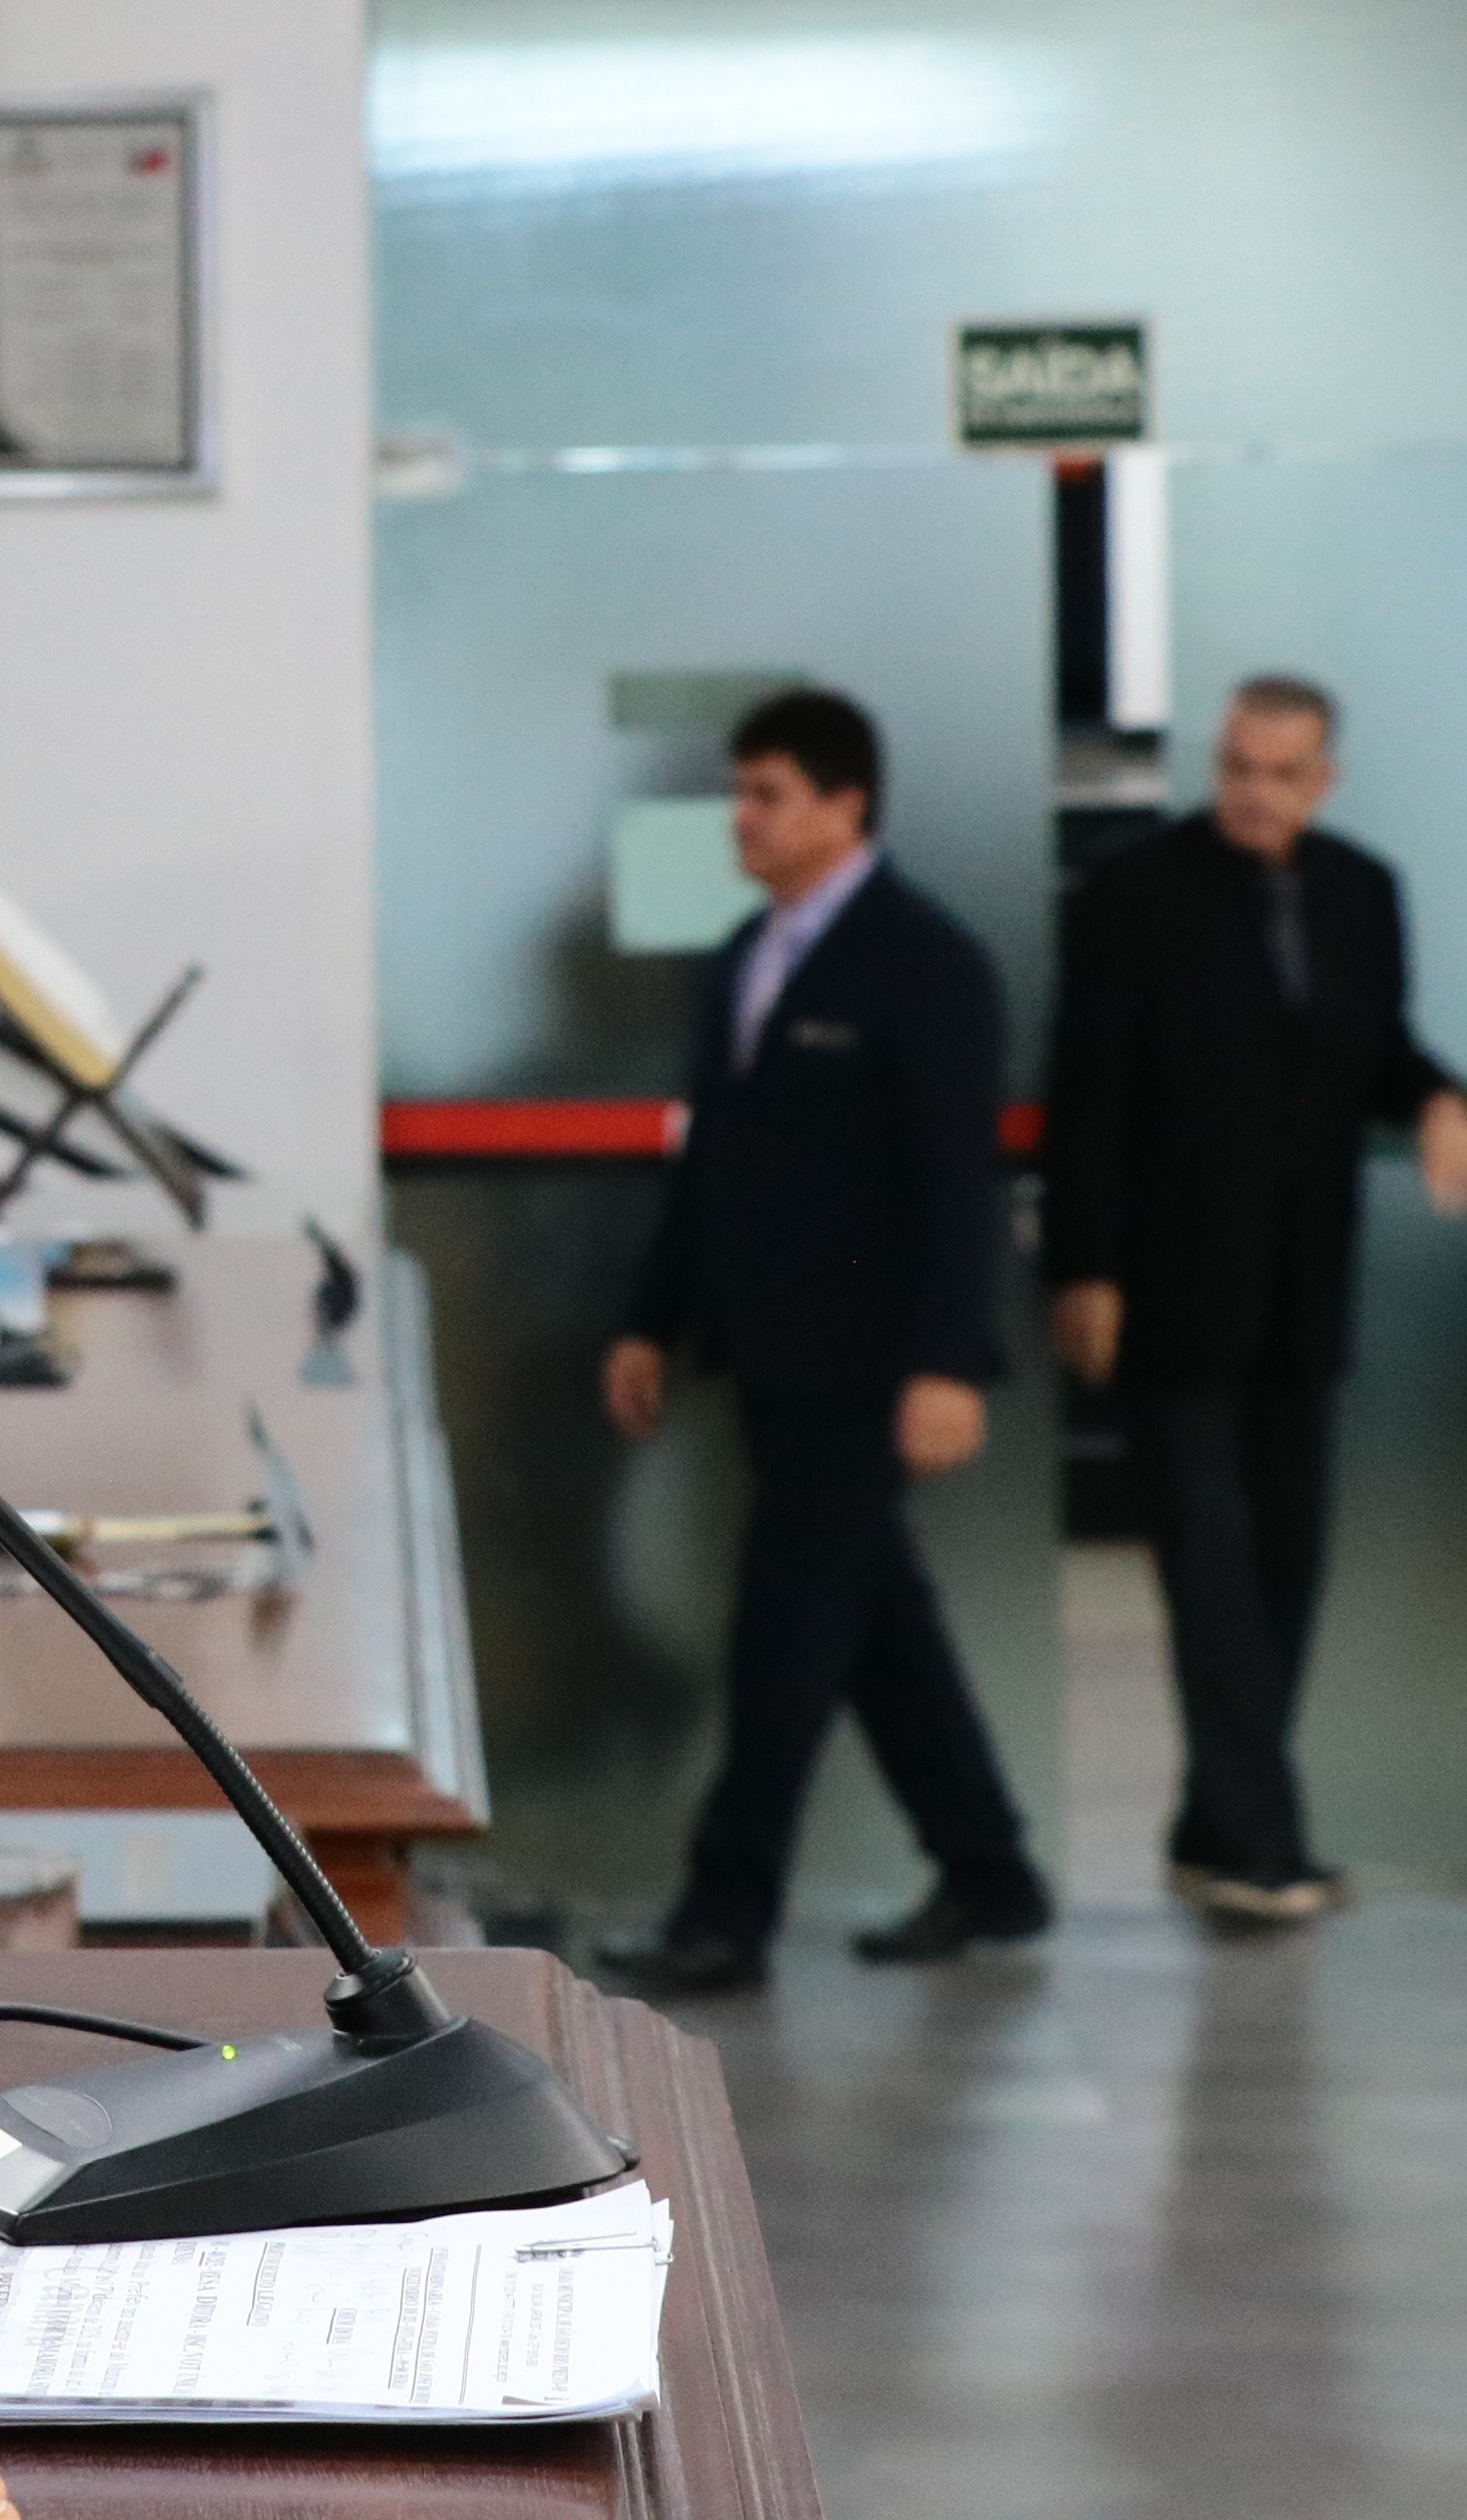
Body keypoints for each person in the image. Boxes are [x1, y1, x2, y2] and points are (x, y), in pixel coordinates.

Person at [596, 686, 1050, 1998]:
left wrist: (947, 1361)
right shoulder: (747, 955)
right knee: (878, 1622)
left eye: (769, 794)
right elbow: (712, 1165)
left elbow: (956, 1183)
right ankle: (990, 1870)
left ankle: (724, 1914)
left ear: (847, 805)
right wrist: (650, 1320)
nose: (741, 817)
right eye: (736, 792)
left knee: (785, 1632)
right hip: (768, 1356)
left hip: (872, 1366)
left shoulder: (927, 961)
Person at [1044, 672, 1467, 1930]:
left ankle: (1212, 1819)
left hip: (1305, 1292)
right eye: (1237, 766)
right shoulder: (1135, 892)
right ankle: (1261, 1845)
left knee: (1290, 1562)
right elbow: (1087, 1087)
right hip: (1170, 1290)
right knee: (1211, 1572)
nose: (1253, 791)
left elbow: (1376, 1050)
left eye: (1281, 773)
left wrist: (1443, 1100)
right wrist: (1084, 1267)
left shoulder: (1362, 891)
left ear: (1323, 779)